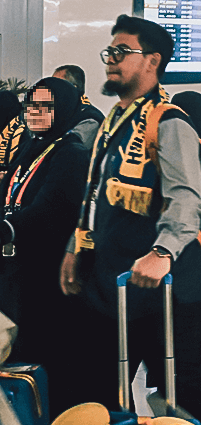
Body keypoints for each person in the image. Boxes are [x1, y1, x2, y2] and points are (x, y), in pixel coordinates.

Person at [59, 14, 201, 425]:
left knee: (182, 380)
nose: (110, 59)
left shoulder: (168, 121)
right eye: (109, 51)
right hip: (114, 280)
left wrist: (161, 251)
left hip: (165, 285)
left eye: (121, 51)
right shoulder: (114, 121)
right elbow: (95, 193)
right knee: (101, 382)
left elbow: (185, 199)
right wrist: (78, 246)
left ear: (152, 60)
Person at [0, 77, 89, 415]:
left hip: (46, 270)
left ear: (64, 108)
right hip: (18, 264)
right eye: (31, 105)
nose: (35, 112)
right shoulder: (32, 146)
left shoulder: (71, 153)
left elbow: (50, 209)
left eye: (46, 106)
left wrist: (8, 228)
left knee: (44, 350)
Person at [53, 64, 105, 148]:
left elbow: (71, 150)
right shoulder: (59, 114)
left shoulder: (90, 119)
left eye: (56, 85)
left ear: (72, 88)